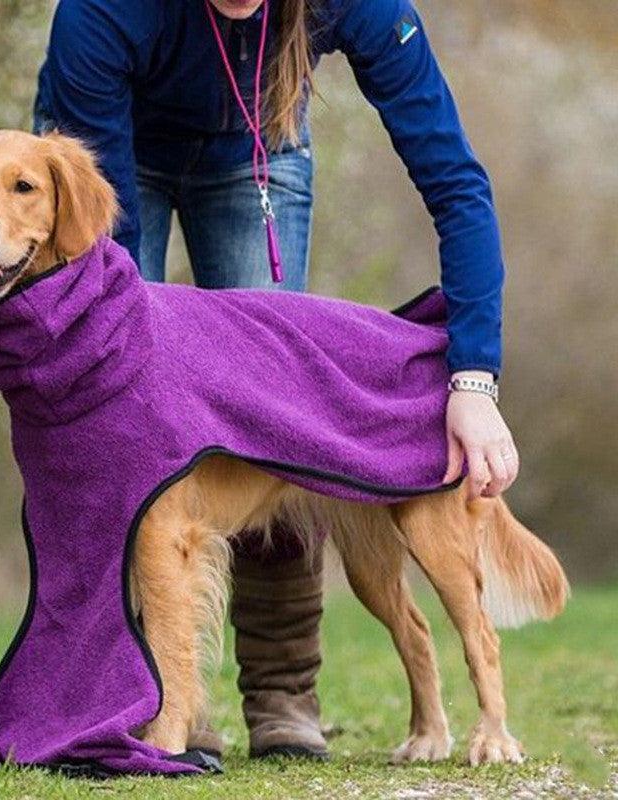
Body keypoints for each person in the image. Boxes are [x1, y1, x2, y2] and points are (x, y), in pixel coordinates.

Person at [33, 0, 520, 761]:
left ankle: (283, 692)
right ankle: (150, 699)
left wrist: (475, 379)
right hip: (114, 162)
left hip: (257, 154)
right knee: (120, 423)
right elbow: (105, 251)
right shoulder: (104, 12)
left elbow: (456, 185)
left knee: (278, 416)